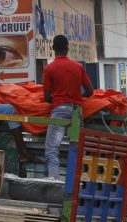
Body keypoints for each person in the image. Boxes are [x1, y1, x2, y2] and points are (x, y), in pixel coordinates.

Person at [42, 34, 94, 179]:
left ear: (53, 49)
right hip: (77, 112)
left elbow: (46, 97)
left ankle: (55, 183)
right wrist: (76, 98)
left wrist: (59, 97)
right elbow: (90, 92)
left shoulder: (49, 69)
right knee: (77, 150)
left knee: (52, 150)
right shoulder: (78, 67)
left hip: (59, 111)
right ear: (67, 49)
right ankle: (77, 184)